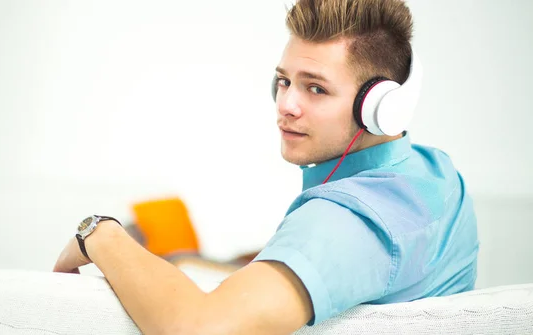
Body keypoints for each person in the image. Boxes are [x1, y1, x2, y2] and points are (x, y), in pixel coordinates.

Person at [53, 0, 479, 333]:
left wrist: (99, 233)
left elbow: (197, 329)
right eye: (284, 80)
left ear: (382, 108)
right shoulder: (433, 172)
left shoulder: (348, 221)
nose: (286, 105)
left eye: (316, 88)